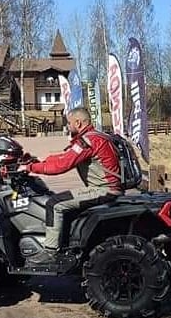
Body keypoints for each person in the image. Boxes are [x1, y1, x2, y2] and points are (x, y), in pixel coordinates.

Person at [17, 106, 121, 264]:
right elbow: (66, 156)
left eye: (69, 123)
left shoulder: (87, 141)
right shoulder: (95, 136)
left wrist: (30, 168)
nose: (67, 126)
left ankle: (50, 252)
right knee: (64, 202)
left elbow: (62, 165)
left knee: (54, 203)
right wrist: (40, 161)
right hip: (107, 188)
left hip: (103, 190)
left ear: (78, 123)